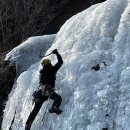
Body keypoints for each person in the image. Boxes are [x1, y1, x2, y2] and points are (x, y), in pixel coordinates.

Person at [25, 49, 63, 130]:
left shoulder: (41, 73)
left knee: (35, 110)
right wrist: (57, 53)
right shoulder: (51, 69)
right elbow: (60, 62)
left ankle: (28, 125)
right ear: (49, 63)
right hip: (47, 91)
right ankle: (54, 107)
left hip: (39, 93)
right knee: (58, 98)